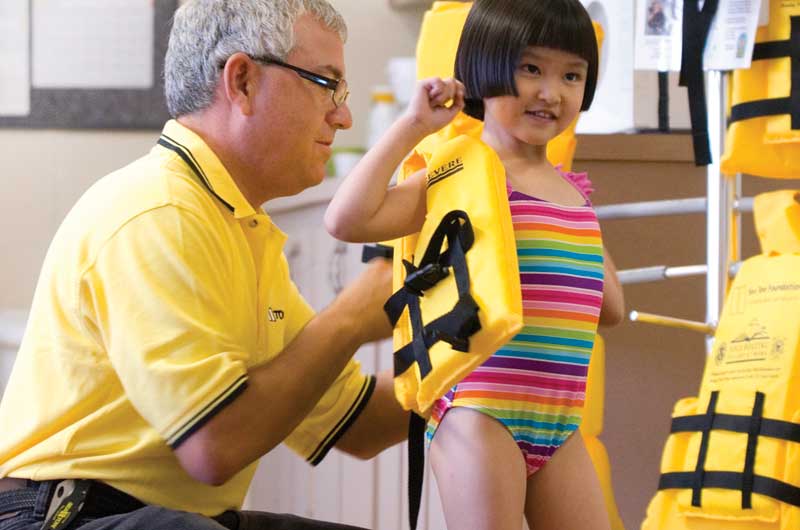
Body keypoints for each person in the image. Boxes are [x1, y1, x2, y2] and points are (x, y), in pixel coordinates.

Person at [0, 1, 409, 529]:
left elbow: (360, 424)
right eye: (325, 83)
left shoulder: (237, 228)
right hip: (62, 517)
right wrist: (352, 314)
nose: (343, 114)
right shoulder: (157, 212)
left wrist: (482, 367)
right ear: (241, 81)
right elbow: (213, 446)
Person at [324, 0, 625, 528]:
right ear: (484, 68)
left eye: (571, 74)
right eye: (530, 68)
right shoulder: (460, 174)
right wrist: (413, 126)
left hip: (560, 420)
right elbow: (346, 220)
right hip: (481, 412)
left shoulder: (573, 191)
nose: (550, 92)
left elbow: (611, 309)